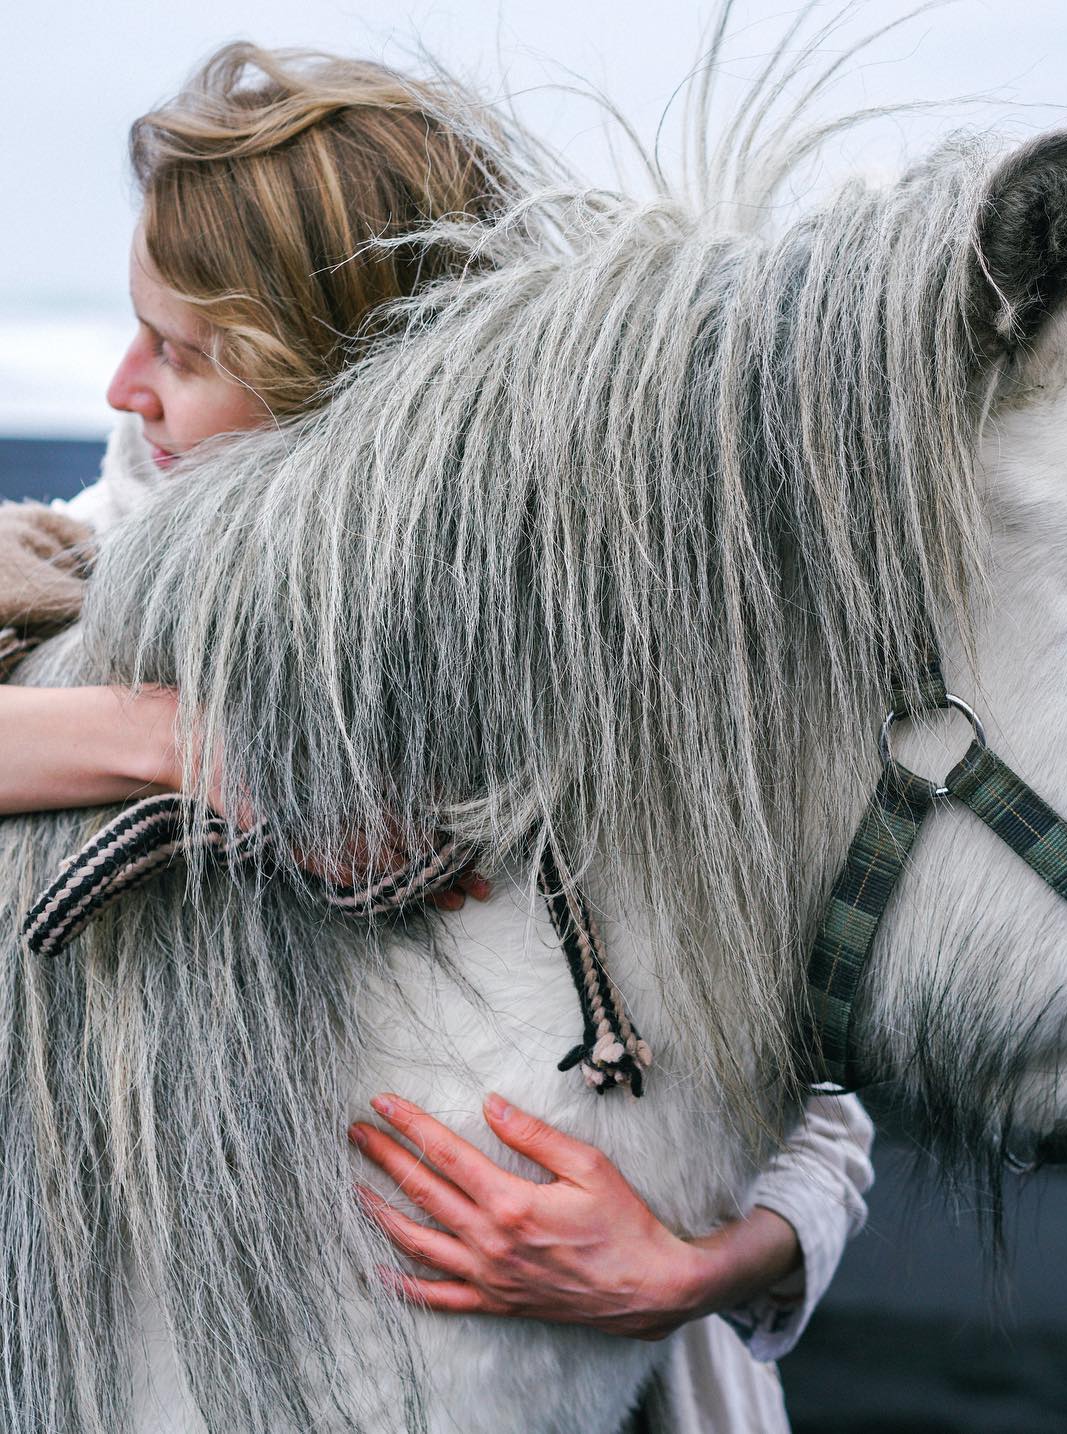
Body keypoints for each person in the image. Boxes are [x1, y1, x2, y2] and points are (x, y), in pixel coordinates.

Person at [4, 43, 875, 1432]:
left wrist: (688, 1267)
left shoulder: (600, 648)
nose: (121, 387)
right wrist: (186, 742)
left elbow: (817, 1074)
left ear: (336, 380)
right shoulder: (110, 558)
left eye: (184, 350)